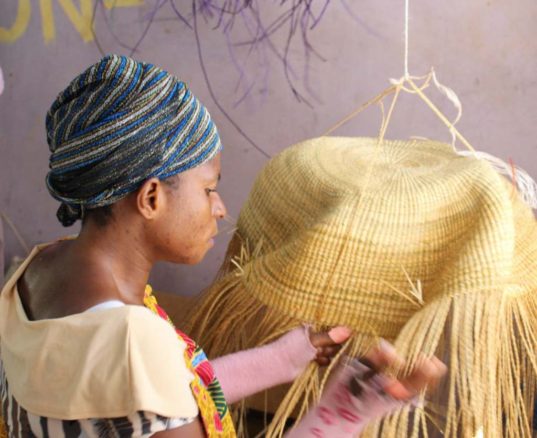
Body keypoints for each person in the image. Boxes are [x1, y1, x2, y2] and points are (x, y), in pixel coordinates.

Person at [0, 55, 445, 438]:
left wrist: (281, 359)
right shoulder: (132, 341)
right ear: (152, 198)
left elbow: (151, 397)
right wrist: (346, 409)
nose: (219, 207)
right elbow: (145, 379)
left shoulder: (41, 270)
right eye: (209, 189)